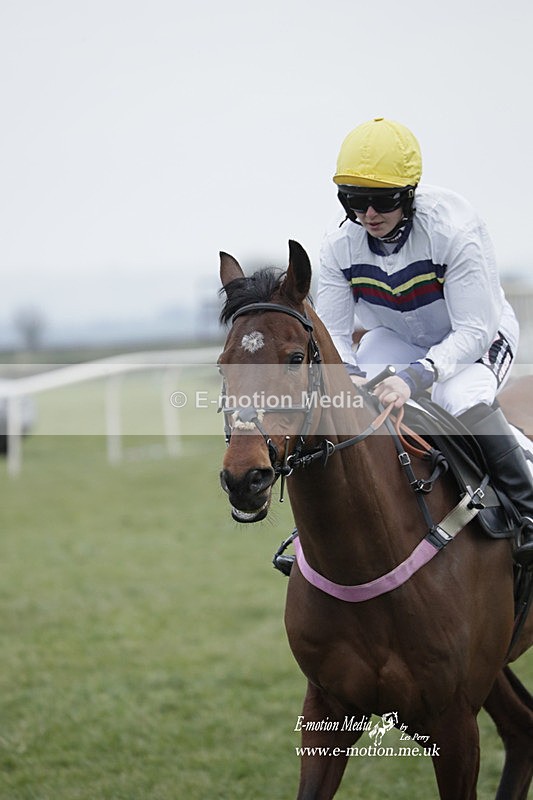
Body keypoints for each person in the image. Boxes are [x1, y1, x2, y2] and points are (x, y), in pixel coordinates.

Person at [316, 116, 533, 567]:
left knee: (461, 398)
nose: (368, 214)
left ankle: (529, 514)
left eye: (382, 201)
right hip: (397, 339)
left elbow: (473, 331)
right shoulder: (339, 247)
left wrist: (416, 378)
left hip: (475, 339)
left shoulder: (454, 231)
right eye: (354, 200)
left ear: (409, 194)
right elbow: (336, 335)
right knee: (353, 401)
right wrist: (352, 378)